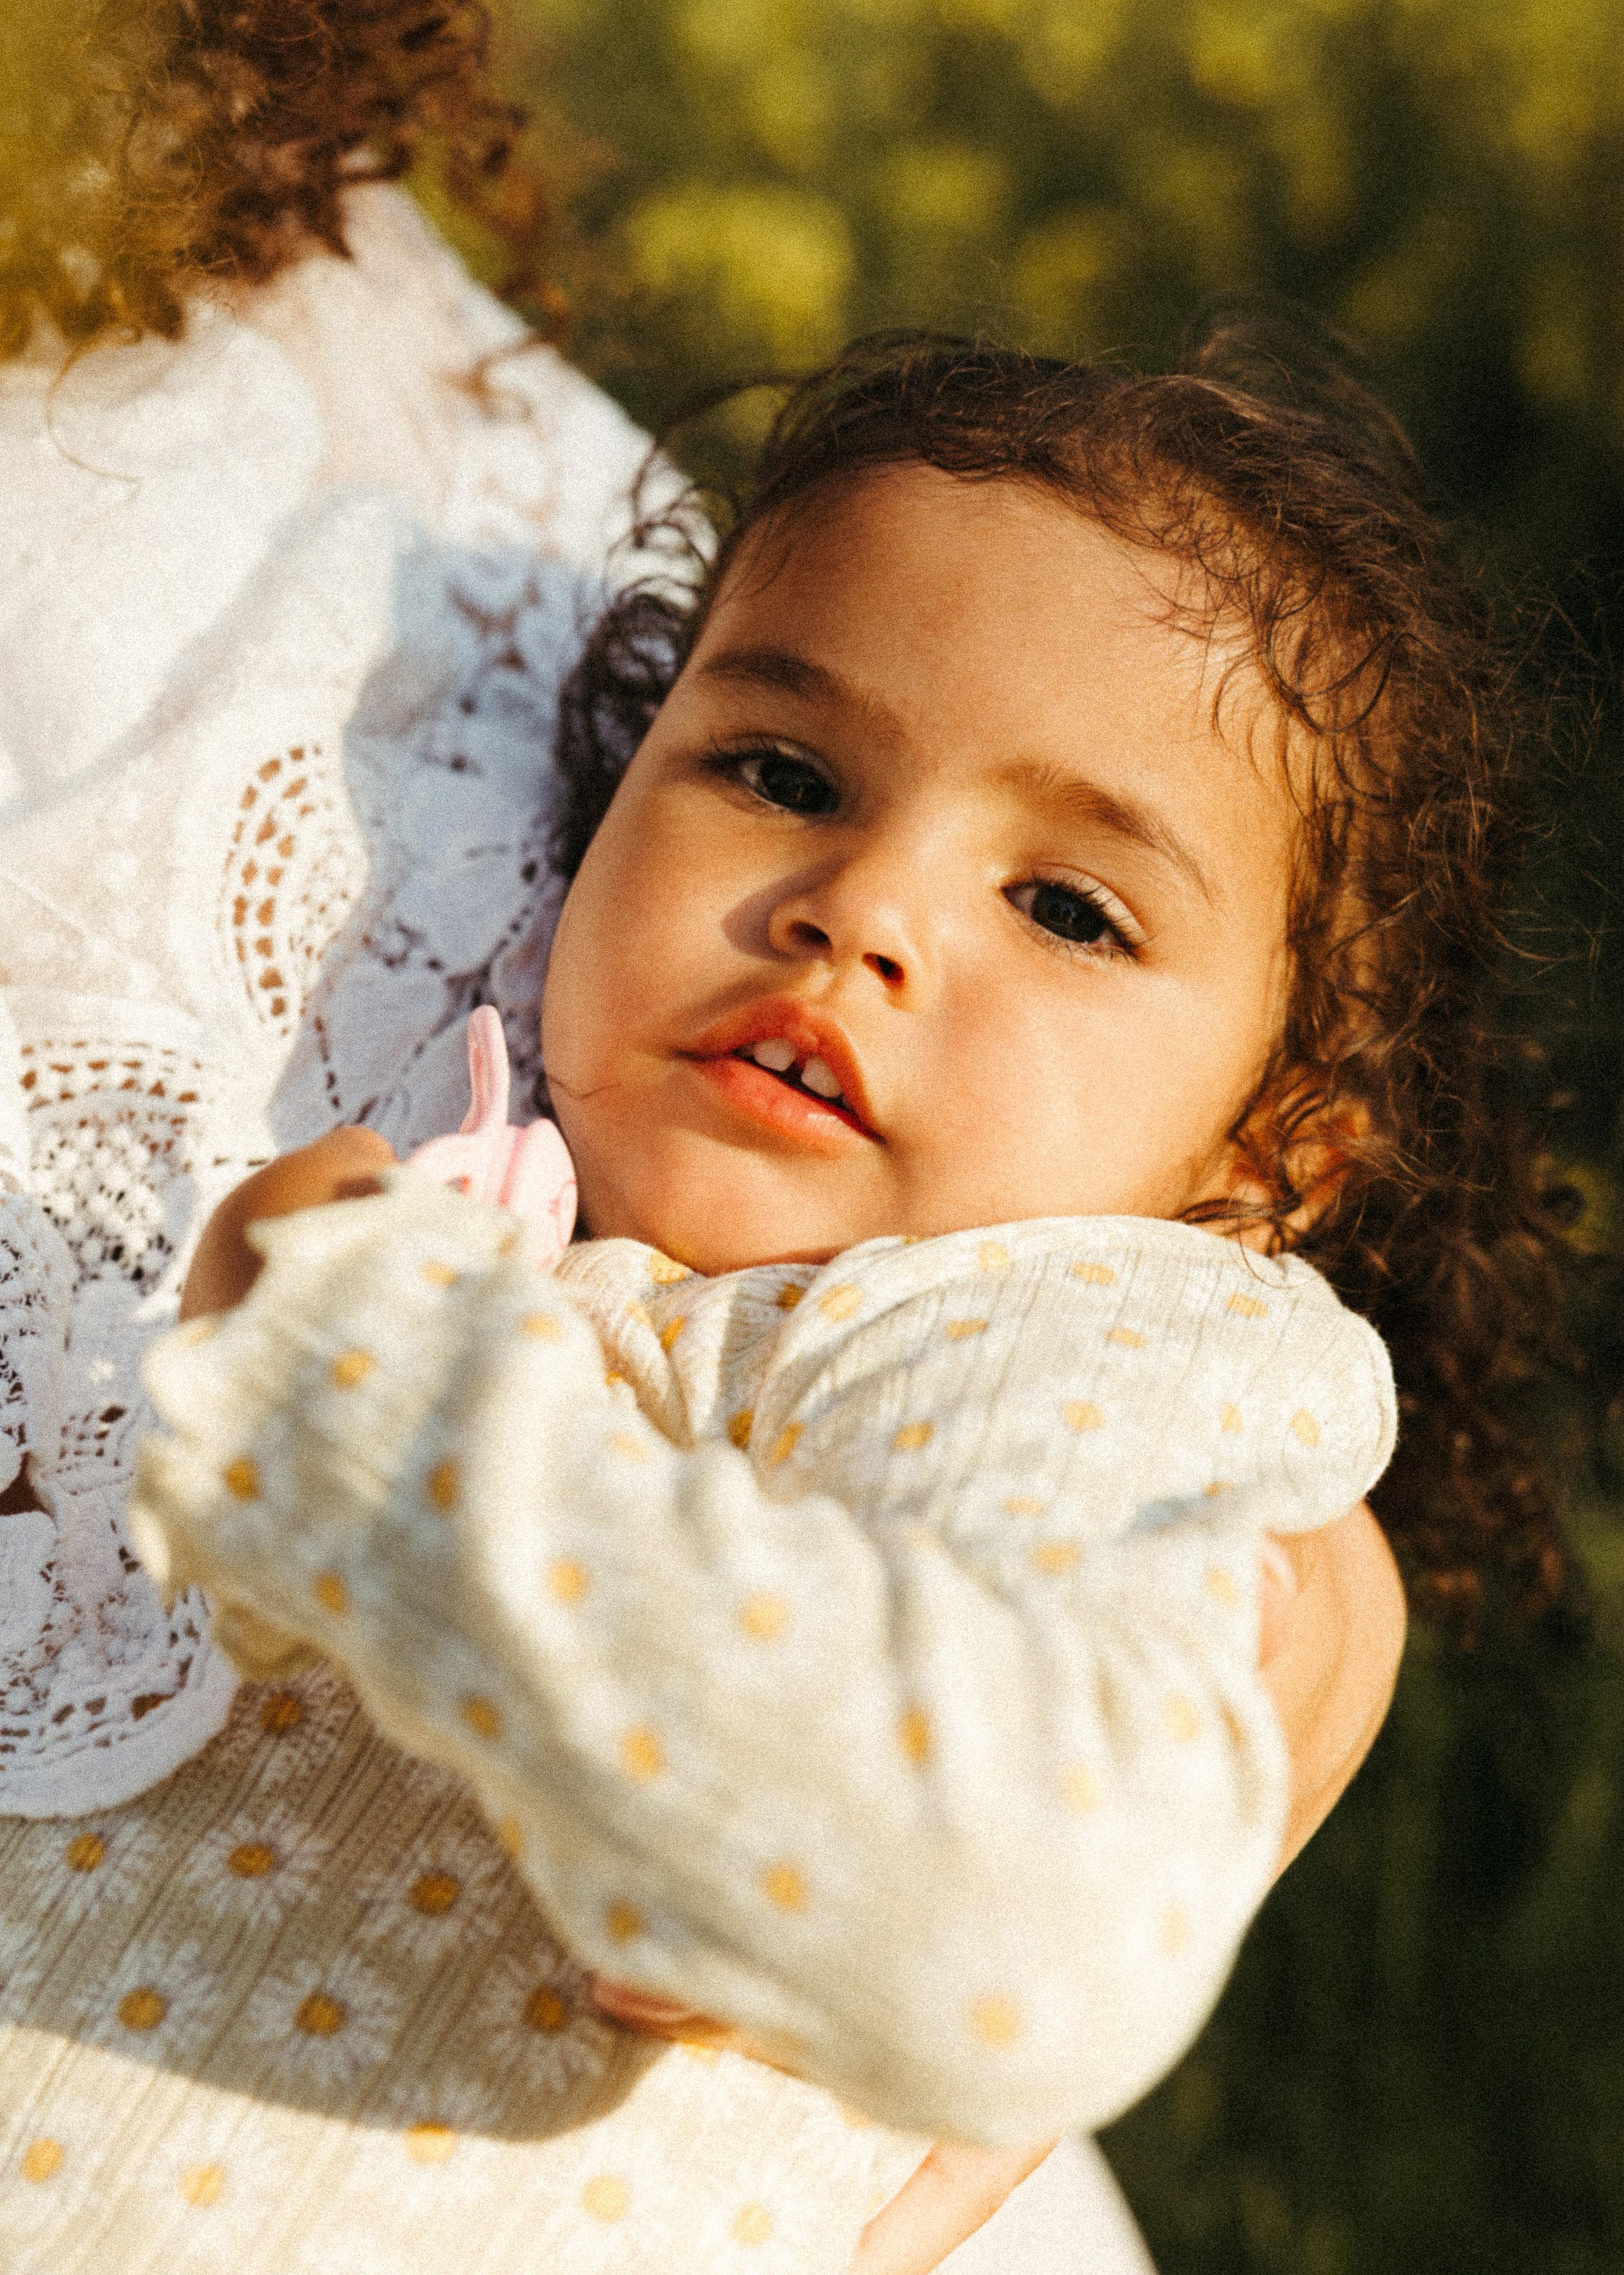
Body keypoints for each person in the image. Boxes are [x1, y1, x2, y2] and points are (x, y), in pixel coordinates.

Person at [134, 321, 1564, 2257]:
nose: (863, 907)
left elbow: (1018, 1931)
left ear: (1268, 1152)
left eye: (1068, 906)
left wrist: (361, 1410)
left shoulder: (1082, 1349)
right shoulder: (480, 1189)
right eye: (784, 771)